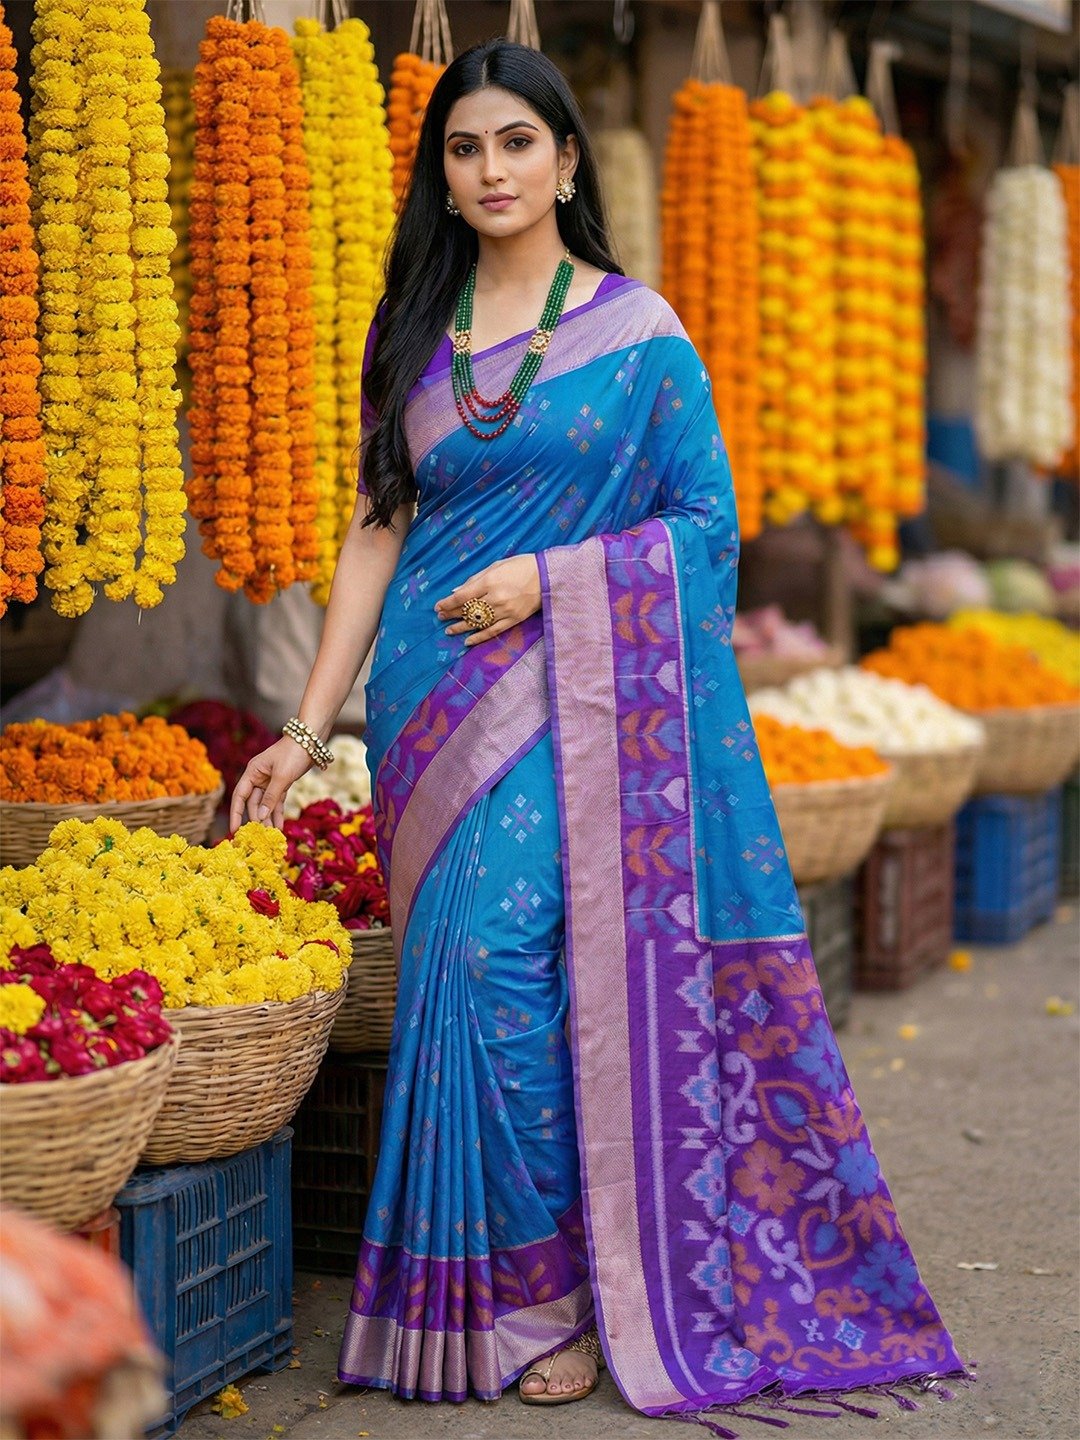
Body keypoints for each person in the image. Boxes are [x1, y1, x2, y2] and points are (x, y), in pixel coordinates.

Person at [230, 37, 967, 1430]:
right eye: (464, 148)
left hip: (580, 698)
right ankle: (488, 1289)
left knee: (521, 974)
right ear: (440, 180)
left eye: (517, 143)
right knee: (459, 969)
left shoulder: (640, 334)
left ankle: (563, 1293)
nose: (491, 169)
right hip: (432, 715)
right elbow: (378, 527)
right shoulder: (418, 334)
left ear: (566, 161)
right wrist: (302, 724)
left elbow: (708, 529)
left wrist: (553, 582)